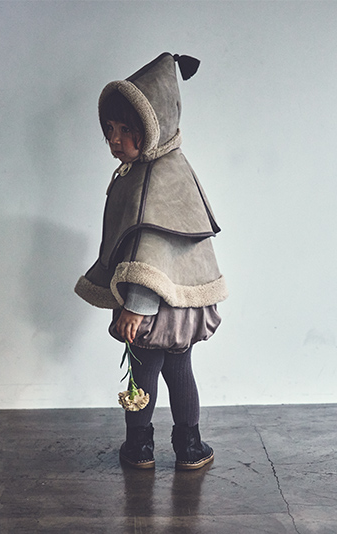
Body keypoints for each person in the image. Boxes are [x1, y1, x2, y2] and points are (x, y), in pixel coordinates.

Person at [74, 53, 227, 470]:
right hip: (178, 303)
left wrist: (137, 307)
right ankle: (188, 446)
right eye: (110, 129)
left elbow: (154, 245)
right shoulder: (151, 169)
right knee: (179, 371)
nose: (114, 139)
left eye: (126, 130)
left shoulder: (157, 177)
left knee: (144, 374)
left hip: (153, 305)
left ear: (156, 123)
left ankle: (140, 446)